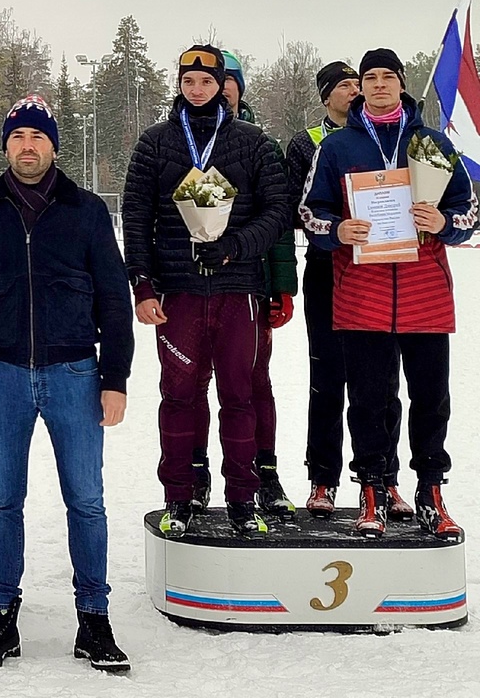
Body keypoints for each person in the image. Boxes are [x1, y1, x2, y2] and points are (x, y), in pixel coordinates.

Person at [0, 96, 133, 673]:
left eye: (38, 137)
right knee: (2, 502)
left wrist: (115, 377)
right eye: (18, 136)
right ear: (6, 147)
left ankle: (93, 622)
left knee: (87, 501)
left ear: (54, 145)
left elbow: (114, 299)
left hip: (74, 372)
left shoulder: (87, 211)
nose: (28, 146)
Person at [299, 48, 477, 537]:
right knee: (368, 399)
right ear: (362, 87)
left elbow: (469, 211)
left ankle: (431, 491)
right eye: (369, 77)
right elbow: (311, 213)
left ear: (401, 84)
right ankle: (372, 489)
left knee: (430, 398)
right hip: (362, 293)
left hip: (424, 294)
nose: (378, 84)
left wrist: (444, 223)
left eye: (387, 77)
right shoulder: (336, 148)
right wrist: (339, 230)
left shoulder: (432, 142)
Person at [122, 44, 290, 536]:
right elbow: (137, 217)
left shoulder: (252, 143)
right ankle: (180, 492)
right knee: (178, 395)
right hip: (179, 292)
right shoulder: (154, 143)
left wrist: (236, 246)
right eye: (188, 81)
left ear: (222, 85)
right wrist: (144, 283)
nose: (196, 90)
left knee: (239, 396)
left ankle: (243, 494)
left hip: (239, 290)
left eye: (206, 82)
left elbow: (277, 212)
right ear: (179, 84)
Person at [286, 61, 410, 517]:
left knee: (380, 383)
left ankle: (385, 478)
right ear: (326, 97)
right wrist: (338, 226)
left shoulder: (393, 139)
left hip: (378, 273)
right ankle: (323, 478)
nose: (357, 90)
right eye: (345, 85)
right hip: (327, 268)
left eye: (361, 83)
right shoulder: (309, 143)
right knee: (327, 380)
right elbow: (300, 207)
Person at [186, 49, 299, 516]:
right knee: (190, 383)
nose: (222, 87)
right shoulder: (180, 137)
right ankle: (195, 472)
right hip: (191, 288)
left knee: (252, 383)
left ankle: (263, 472)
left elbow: (278, 222)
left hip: (248, 283)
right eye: (216, 79)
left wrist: (281, 285)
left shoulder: (261, 143)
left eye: (230, 80)